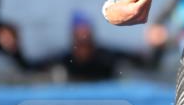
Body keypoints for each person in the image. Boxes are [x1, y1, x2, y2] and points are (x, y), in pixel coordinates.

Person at [23, 11, 161, 82]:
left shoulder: (107, 57)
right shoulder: (64, 60)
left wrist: (158, 47)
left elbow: (149, 66)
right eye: (80, 36)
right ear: (73, 37)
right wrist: (15, 51)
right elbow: (28, 69)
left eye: (87, 35)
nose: (84, 36)